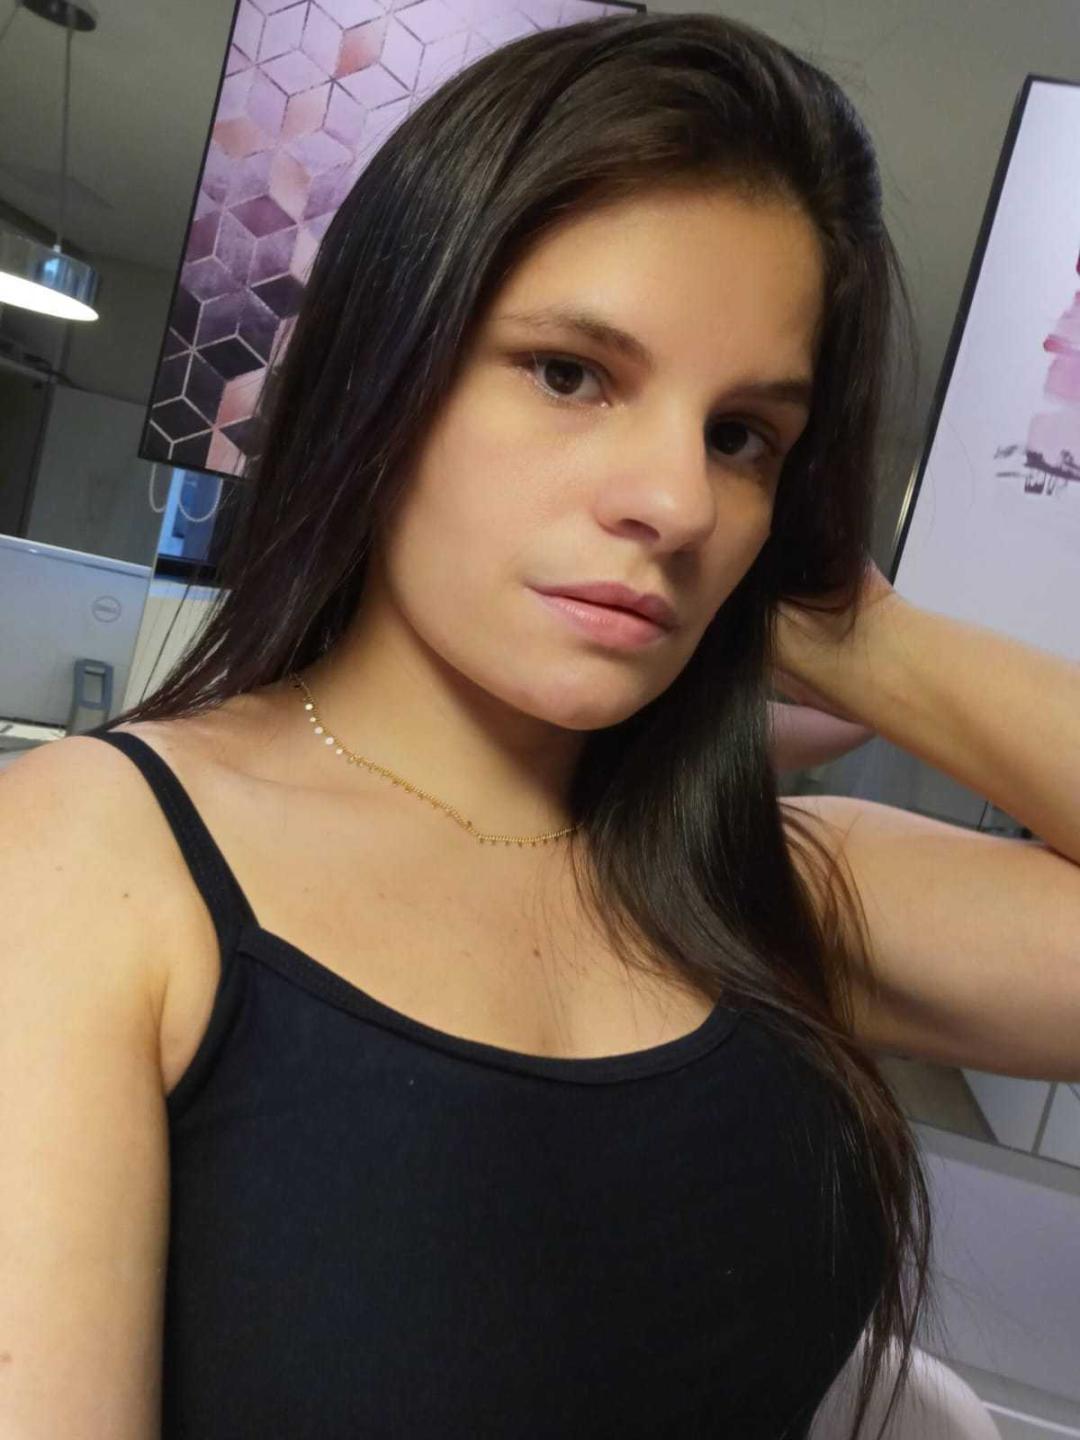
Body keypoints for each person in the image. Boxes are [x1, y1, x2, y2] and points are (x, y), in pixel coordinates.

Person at [1, 13, 941, 1440]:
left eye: (741, 435)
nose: (678, 503)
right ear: (383, 367)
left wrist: (865, 636)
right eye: (571, 373)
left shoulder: (772, 885)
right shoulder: (91, 860)